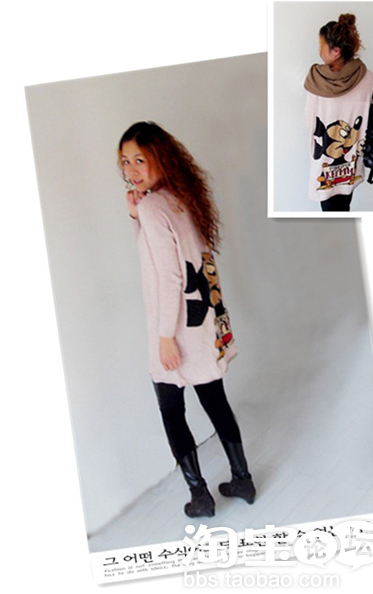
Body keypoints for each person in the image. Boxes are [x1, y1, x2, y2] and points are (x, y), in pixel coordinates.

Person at [118, 121, 256, 518]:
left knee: (171, 412)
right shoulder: (181, 196)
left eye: (140, 159)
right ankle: (242, 479)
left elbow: (170, 276)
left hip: (175, 327)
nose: (131, 169)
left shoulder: (153, 206)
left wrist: (165, 337)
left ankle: (200, 496)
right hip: (202, 322)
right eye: (125, 161)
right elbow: (172, 258)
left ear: (161, 158)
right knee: (216, 402)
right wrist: (135, 215)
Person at [304, 14, 373, 211]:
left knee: (330, 212)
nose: (319, 52)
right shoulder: (366, 77)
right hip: (351, 164)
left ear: (336, 51)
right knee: (344, 206)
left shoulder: (316, 80)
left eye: (322, 46)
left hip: (324, 166)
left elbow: (310, 121)